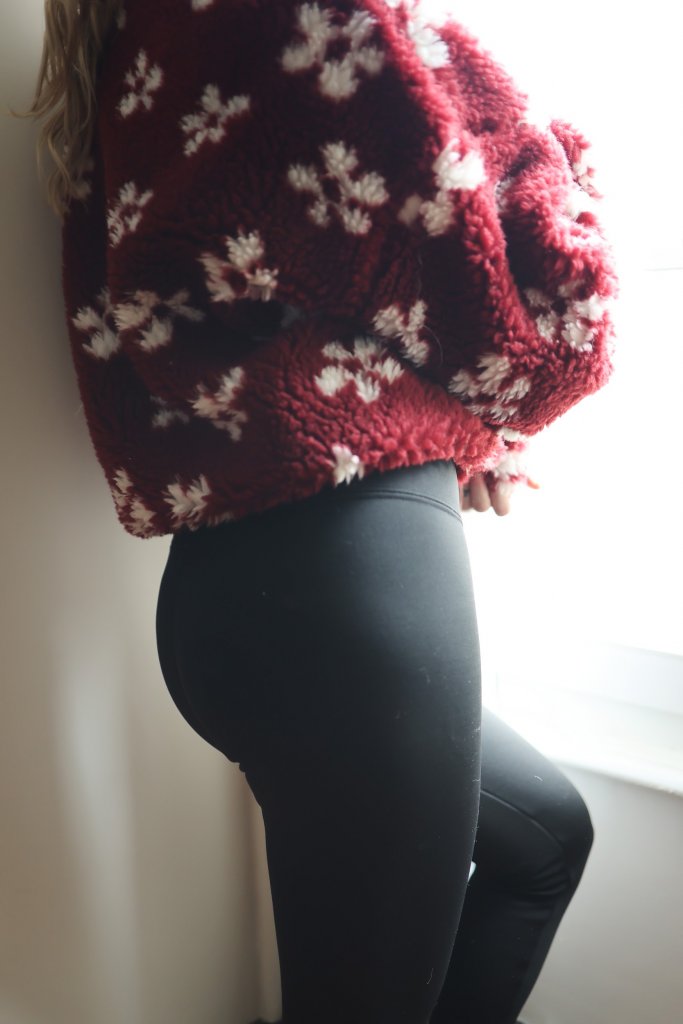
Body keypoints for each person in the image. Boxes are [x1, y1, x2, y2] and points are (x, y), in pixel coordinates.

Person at [20, 2, 618, 1022]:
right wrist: (570, 155)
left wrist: (458, 431)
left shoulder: (143, 43)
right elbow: (555, 306)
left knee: (546, 840)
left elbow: (311, 285)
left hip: (226, 596)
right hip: (351, 596)